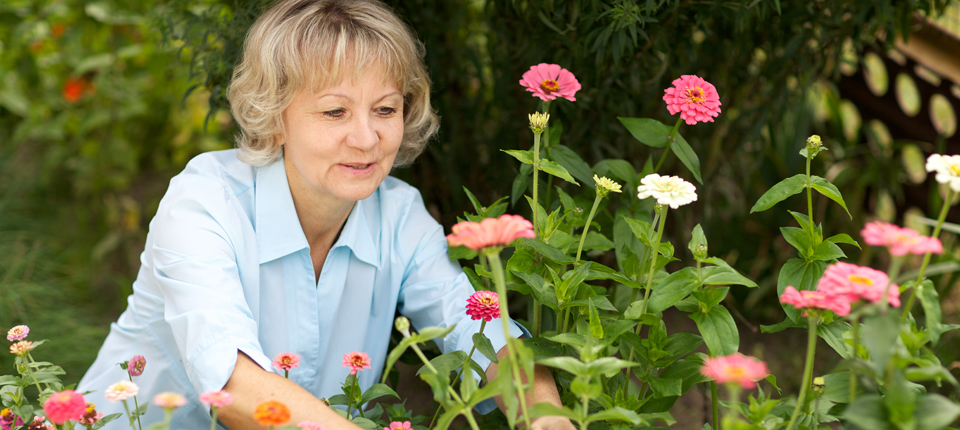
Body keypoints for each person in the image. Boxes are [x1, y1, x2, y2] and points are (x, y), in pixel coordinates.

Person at [78, 1, 574, 429]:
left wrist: (546, 413)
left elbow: (479, 334)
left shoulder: (400, 216)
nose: (365, 138)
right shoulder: (203, 202)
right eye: (335, 112)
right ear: (274, 117)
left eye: (385, 109)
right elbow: (234, 386)